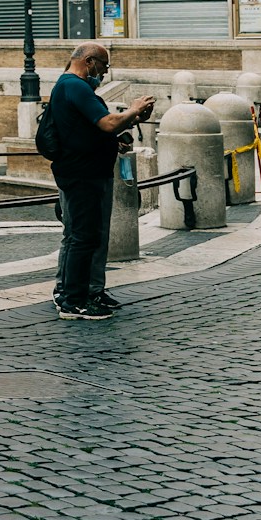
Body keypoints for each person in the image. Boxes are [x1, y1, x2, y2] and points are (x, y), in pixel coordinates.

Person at [47, 44, 153, 320]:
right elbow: (106, 123)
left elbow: (94, 128)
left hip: (85, 170)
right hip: (82, 173)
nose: (105, 72)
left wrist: (130, 121)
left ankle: (83, 293)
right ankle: (73, 300)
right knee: (82, 237)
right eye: (104, 66)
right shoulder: (75, 86)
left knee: (83, 235)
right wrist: (133, 108)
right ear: (90, 61)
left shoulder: (71, 86)